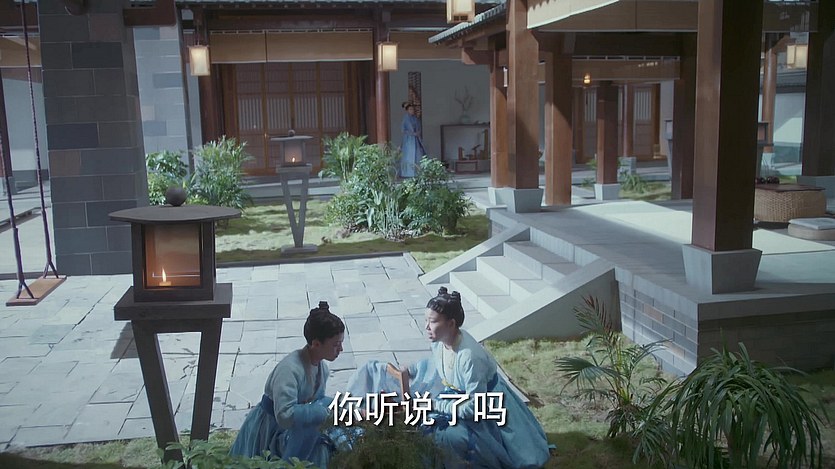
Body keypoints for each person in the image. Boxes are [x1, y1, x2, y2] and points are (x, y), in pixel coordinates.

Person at [346, 287, 551, 469]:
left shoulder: (470, 357)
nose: (426, 327)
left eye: (433, 322)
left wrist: (435, 405)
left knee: (450, 437)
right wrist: (412, 371)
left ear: (451, 324)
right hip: (455, 399)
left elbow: (475, 407)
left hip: (484, 407)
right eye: (426, 320)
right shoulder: (440, 341)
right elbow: (435, 363)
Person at [230, 301, 345, 466]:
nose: (340, 349)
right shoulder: (289, 370)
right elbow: (285, 415)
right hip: (273, 428)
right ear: (316, 344)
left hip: (300, 425)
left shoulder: (322, 368)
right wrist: (320, 412)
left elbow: (317, 400)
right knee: (319, 449)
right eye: (336, 345)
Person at [400, 101, 426, 178]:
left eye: (413, 109)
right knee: (409, 155)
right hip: (408, 140)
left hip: (416, 139)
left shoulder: (415, 118)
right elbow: (402, 130)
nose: (412, 111)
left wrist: (417, 133)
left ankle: (418, 172)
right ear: (407, 110)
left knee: (418, 154)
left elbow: (418, 127)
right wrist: (411, 133)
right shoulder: (405, 118)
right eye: (410, 109)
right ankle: (408, 173)